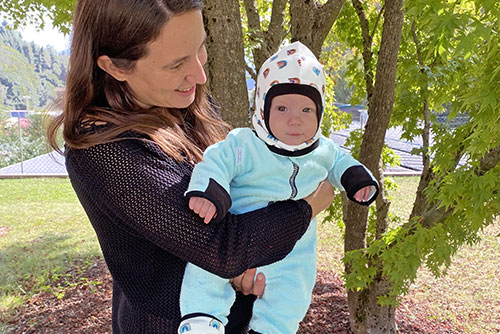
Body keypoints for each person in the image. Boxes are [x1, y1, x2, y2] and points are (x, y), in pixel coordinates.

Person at [46, 1, 336, 333]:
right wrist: (310, 203)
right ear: (115, 67)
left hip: (234, 315)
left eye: (201, 49)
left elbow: (242, 187)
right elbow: (224, 249)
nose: (199, 75)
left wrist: (252, 256)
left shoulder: (182, 101)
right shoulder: (104, 152)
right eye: (176, 63)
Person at [179, 41, 379, 334]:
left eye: (307, 109)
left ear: (320, 113)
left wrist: (358, 182)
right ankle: (201, 319)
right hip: (237, 234)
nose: (294, 119)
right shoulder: (245, 144)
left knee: (293, 292)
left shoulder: (323, 150)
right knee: (206, 269)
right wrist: (211, 194)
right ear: (263, 108)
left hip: (293, 252)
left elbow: (343, 164)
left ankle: (272, 330)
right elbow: (216, 162)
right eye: (282, 107)